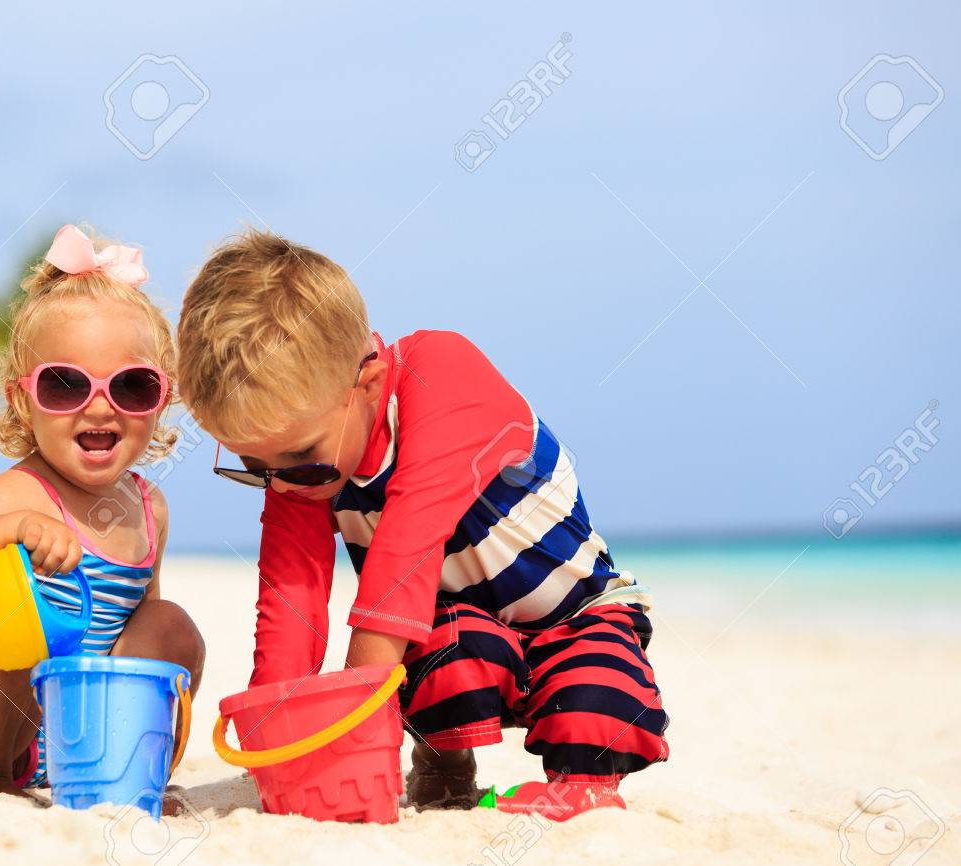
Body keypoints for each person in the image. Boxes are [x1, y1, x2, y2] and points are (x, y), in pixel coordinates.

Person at [175, 229, 667, 820]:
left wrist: (347, 735)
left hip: (577, 613)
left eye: (299, 459)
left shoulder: (441, 373)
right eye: (256, 468)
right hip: (463, 625)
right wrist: (279, 739)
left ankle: (586, 784)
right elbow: (291, 599)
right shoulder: (302, 469)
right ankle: (444, 769)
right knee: (441, 655)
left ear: (368, 385)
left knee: (592, 699)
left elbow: (402, 556)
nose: (282, 485)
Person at [0, 225, 204, 798]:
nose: (99, 406)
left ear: (162, 399)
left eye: (132, 387)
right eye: (64, 385)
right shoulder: (15, 496)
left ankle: (130, 768)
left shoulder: (148, 509)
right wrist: (11, 531)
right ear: (22, 400)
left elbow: (142, 627)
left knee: (171, 626)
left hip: (74, 733)